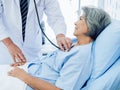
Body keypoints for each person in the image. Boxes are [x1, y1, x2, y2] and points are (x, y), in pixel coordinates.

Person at [1, 6, 111, 90]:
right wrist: (28, 65)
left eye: (81, 19)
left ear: (91, 25)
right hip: (25, 71)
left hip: (24, 83)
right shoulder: (73, 43)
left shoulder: (81, 56)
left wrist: (24, 76)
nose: (75, 22)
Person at [0, 0, 72, 65]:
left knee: (31, 75)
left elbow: (55, 17)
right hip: (5, 46)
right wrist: (9, 44)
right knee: (6, 75)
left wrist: (60, 35)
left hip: (31, 47)